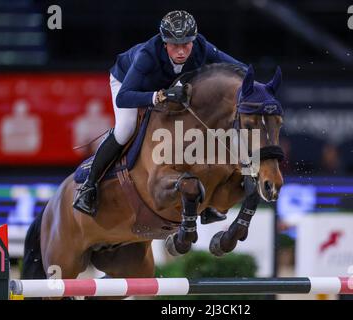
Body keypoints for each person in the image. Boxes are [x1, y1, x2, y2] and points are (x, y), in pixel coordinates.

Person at [73, 10, 247, 221]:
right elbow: (125, 97)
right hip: (129, 84)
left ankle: (208, 199)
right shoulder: (147, 56)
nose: (182, 51)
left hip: (168, 84)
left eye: (186, 44)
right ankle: (89, 187)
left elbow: (239, 69)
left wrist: (260, 88)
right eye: (175, 45)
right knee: (125, 129)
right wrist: (158, 96)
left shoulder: (201, 46)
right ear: (164, 43)